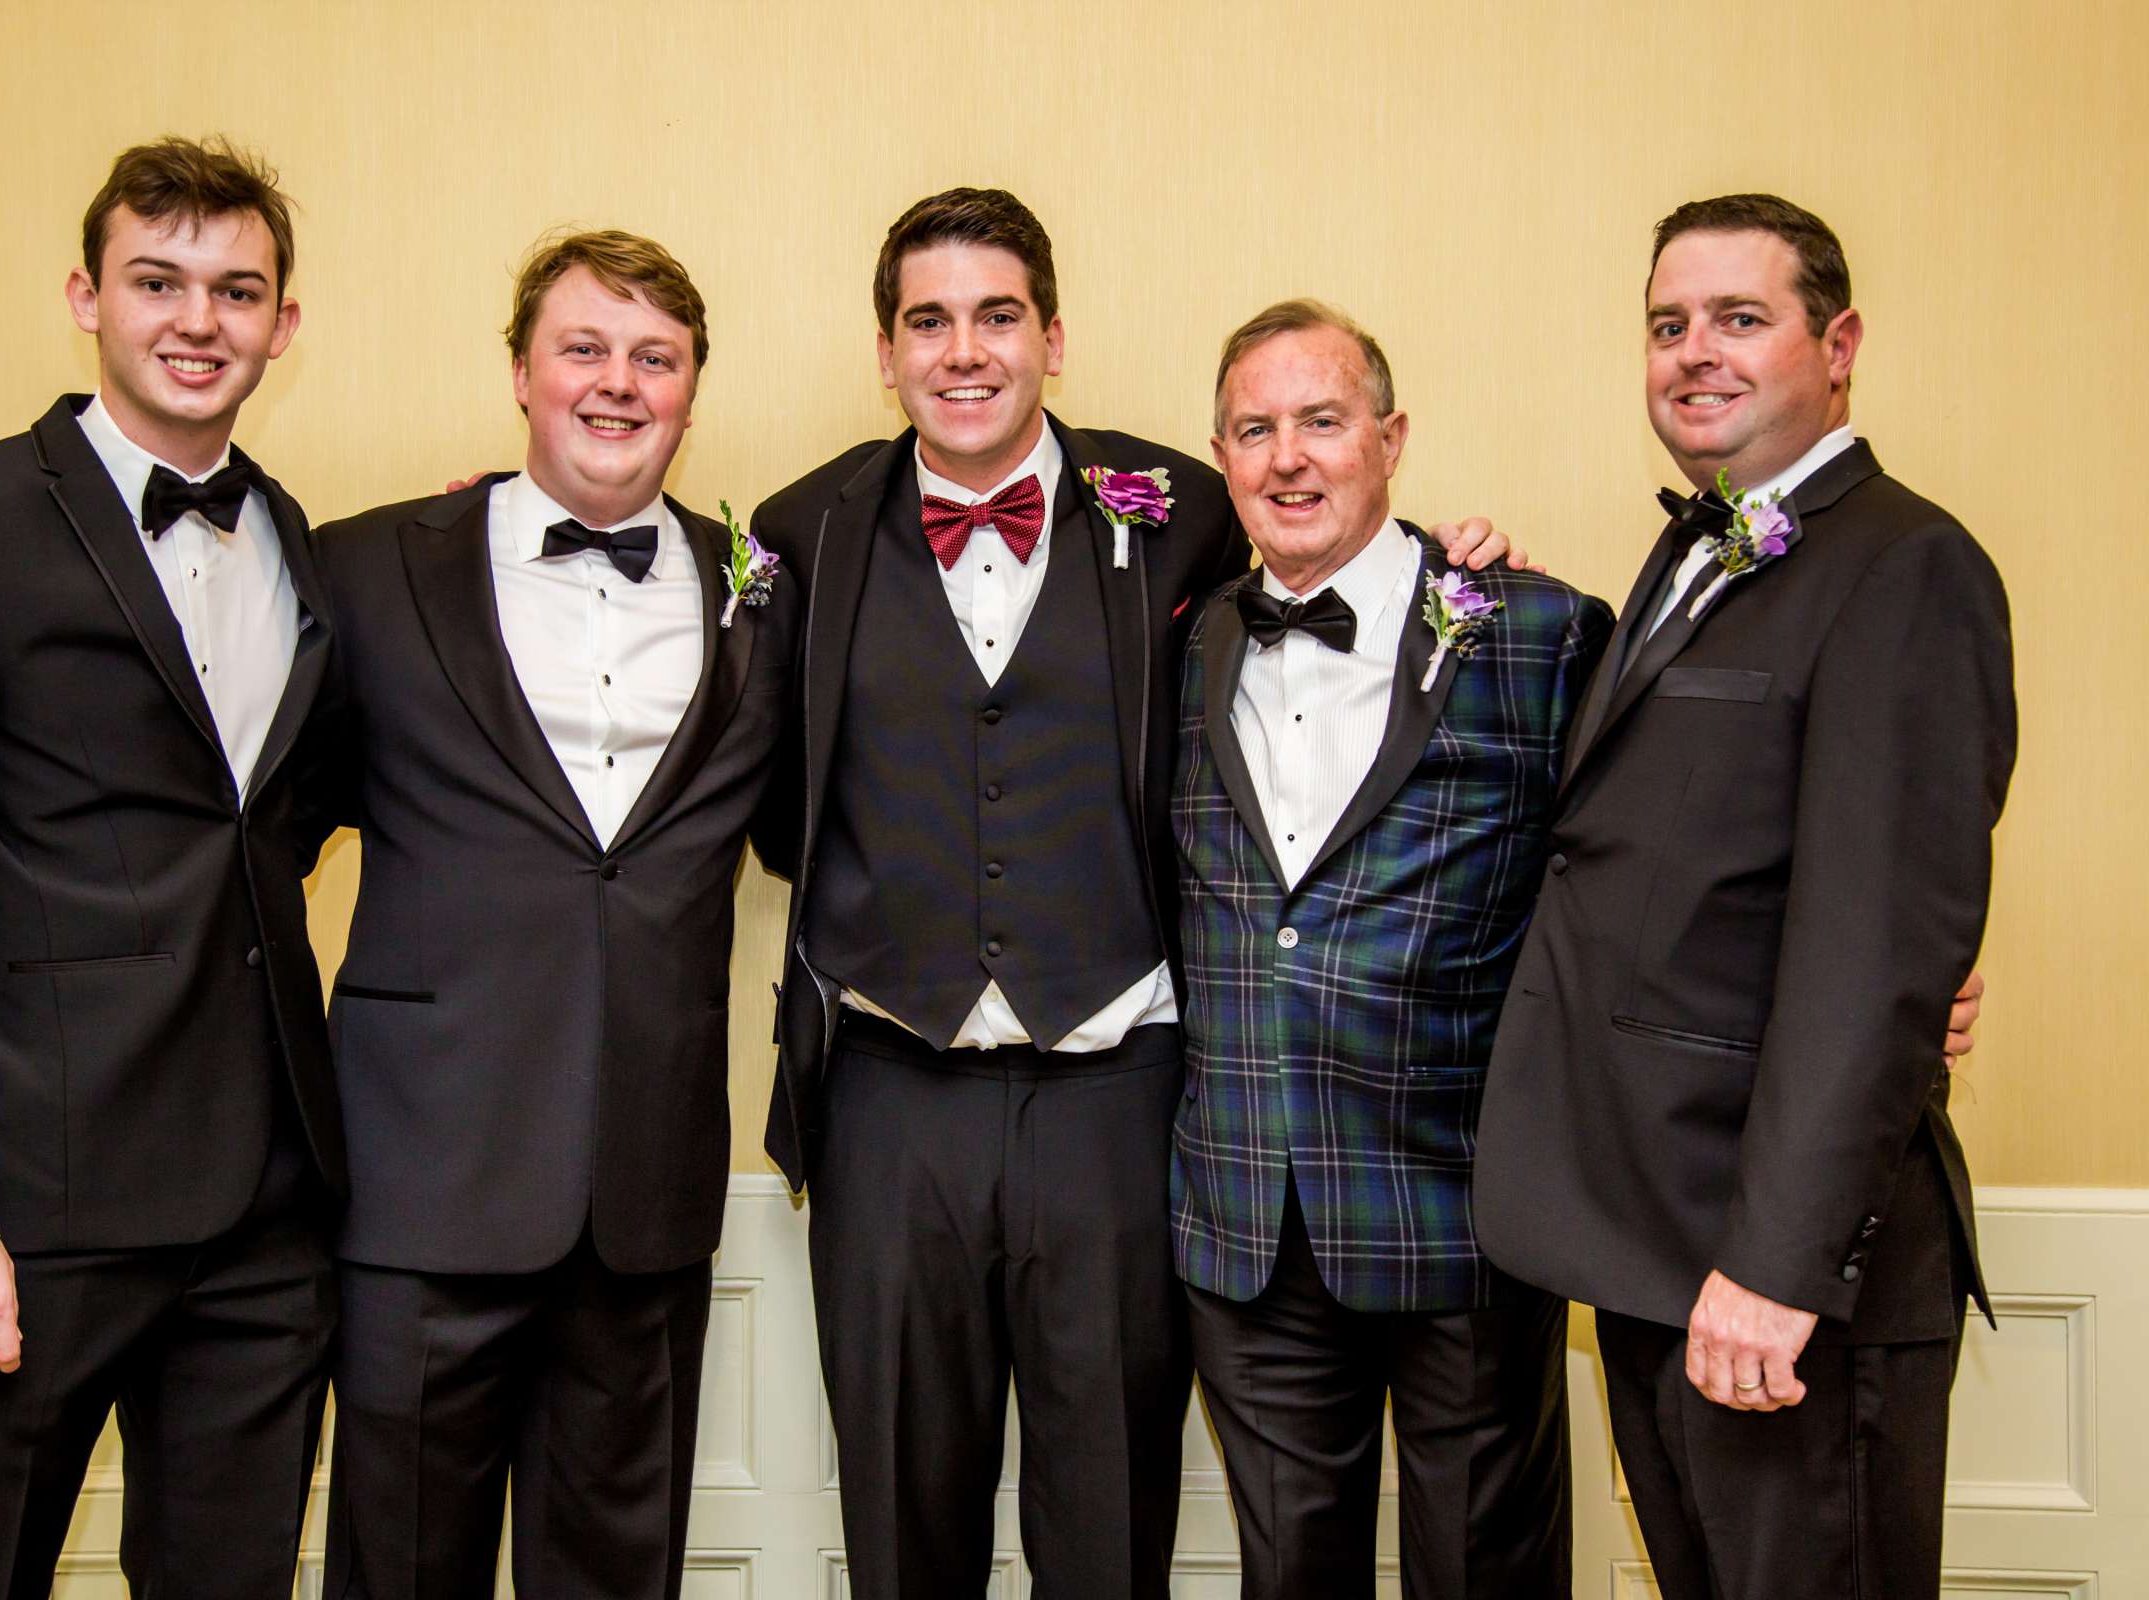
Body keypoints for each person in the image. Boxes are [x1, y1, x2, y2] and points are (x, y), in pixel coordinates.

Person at [747, 188, 1513, 1598]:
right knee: (903, 1527)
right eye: (929, 321)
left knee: (1108, 1523)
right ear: (885, 349)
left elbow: (1321, 588)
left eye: (997, 317)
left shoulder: (1181, 509)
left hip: (1120, 1092)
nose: (963, 352)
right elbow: (757, 789)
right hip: (885, 1094)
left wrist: (1456, 575)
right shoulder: (807, 528)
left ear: (1054, 336)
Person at [0, 137, 341, 1599]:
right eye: (156, 280)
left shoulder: (295, 540)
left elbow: (266, 832)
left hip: (267, 1216)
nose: (197, 319)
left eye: (237, 291)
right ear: (85, 296)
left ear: (282, 325)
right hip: (23, 1221)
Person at [1474, 193, 2018, 1598]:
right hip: (1662, 1249)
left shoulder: (1908, 566)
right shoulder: (1700, 548)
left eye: (1738, 318)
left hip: (1782, 1285)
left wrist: (1776, 1274)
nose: (1693, 353)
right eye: (1668, 325)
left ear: (1837, 347)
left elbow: (1873, 954)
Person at [307, 229, 799, 1599]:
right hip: (421, 1184)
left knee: (616, 1576)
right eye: (584, 348)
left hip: (642, 1195)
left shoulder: (762, 592)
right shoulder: (365, 571)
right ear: (521, 371)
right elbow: (258, 833)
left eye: (657, 358)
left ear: (692, 391)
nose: (618, 383)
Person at [1170, 299, 1611, 1597]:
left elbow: (1652, 869)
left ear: (1391, 437)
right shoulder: (1185, 643)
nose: (1287, 458)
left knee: (1485, 1568)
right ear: (1222, 453)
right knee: (1288, 1572)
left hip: (1466, 1210)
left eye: (1321, 421)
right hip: (1248, 1209)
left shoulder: (1532, 632)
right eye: (1254, 430)